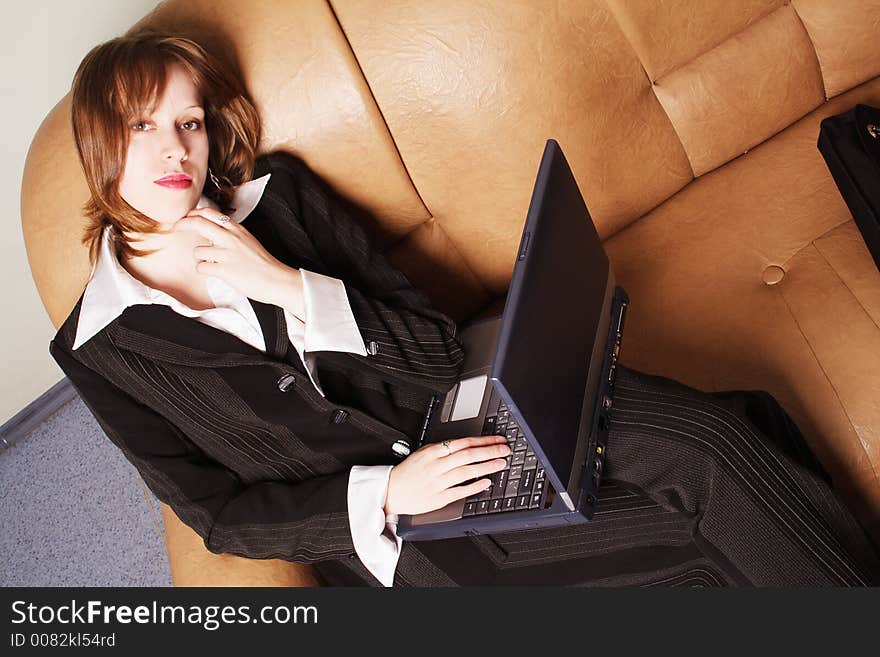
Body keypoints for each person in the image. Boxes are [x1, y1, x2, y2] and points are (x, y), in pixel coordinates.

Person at [49, 31, 880, 587]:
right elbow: (216, 515)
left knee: (716, 439)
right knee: (702, 538)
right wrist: (384, 490)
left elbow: (437, 352)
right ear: (100, 147)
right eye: (141, 125)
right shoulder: (99, 350)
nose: (174, 149)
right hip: (415, 532)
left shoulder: (283, 202)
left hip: (479, 410)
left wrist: (283, 283)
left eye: (188, 121)